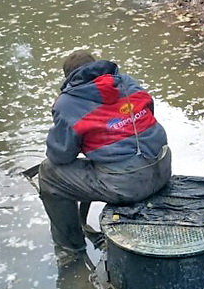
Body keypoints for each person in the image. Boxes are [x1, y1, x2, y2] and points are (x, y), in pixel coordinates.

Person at [37, 52, 171, 263]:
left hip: (128, 185)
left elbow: (60, 155)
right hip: (163, 166)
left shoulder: (68, 103)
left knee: (47, 174)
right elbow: (148, 112)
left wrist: (87, 142)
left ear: (69, 78)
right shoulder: (127, 82)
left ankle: (71, 251)